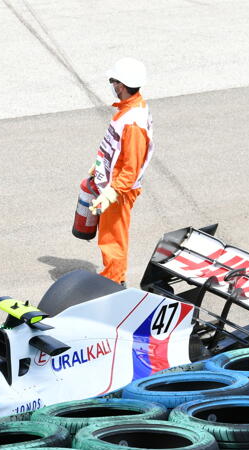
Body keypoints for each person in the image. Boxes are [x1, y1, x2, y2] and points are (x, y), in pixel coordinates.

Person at [85, 57, 154, 285]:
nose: (111, 85)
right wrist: (98, 166)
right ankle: (112, 277)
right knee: (108, 235)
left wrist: (110, 194)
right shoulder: (128, 109)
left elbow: (130, 170)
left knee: (112, 238)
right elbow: (116, 148)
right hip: (111, 184)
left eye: (112, 80)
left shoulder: (133, 122)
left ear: (121, 85)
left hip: (119, 191)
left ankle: (114, 283)